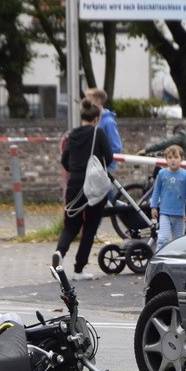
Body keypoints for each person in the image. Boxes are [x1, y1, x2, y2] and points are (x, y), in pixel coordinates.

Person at [57, 98, 114, 280]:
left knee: (70, 226)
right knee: (89, 228)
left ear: (82, 117)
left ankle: (59, 253)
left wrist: (76, 171)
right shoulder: (99, 133)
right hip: (93, 187)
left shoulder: (72, 135)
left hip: (74, 185)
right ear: (96, 119)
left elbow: (64, 160)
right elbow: (110, 157)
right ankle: (78, 270)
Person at [140, 120, 186, 191]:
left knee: (182, 190)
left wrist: (146, 150)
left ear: (176, 135)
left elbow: (166, 143)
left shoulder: (182, 136)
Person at [150, 145, 186, 250]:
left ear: (182, 159)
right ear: (166, 159)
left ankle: (176, 261)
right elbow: (156, 191)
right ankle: (159, 259)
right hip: (165, 212)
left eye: (176, 157)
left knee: (178, 241)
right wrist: (153, 206)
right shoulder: (162, 174)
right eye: (170, 157)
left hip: (180, 214)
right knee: (162, 238)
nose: (173, 160)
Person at [85, 87, 122, 174]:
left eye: (90, 100)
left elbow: (116, 146)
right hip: (96, 165)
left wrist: (107, 161)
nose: (88, 103)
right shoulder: (95, 119)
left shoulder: (108, 122)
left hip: (105, 166)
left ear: (98, 101)